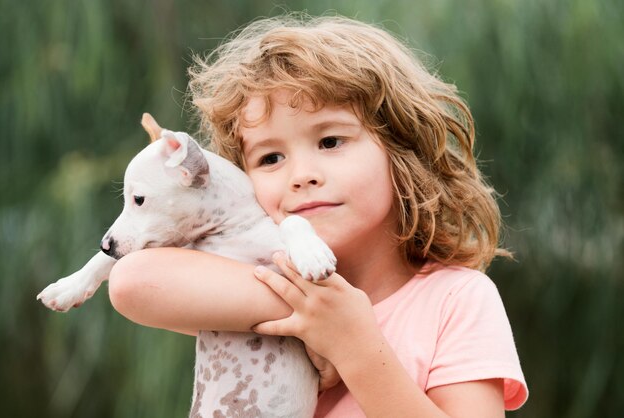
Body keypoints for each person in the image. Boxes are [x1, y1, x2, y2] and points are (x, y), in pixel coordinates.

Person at [108, 14, 528, 417]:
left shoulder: (457, 300)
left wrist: (352, 343)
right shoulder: (248, 283)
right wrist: (310, 313)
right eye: (270, 157)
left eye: (330, 142)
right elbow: (131, 280)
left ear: (402, 152)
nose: (301, 176)